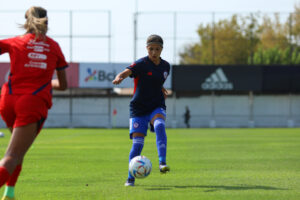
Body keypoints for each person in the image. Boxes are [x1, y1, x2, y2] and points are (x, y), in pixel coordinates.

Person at [0, 6, 68, 200]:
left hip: (7, 100)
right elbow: (63, 85)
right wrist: (49, 82)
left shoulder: (15, 42)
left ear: (26, 20)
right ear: (47, 21)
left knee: (16, 152)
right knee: (12, 155)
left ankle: (10, 194)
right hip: (32, 102)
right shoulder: (53, 46)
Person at [112, 34, 170, 187]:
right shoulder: (141, 63)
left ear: (161, 49)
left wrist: (160, 88)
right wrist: (120, 77)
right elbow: (127, 71)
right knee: (137, 145)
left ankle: (162, 162)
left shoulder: (166, 66)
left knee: (159, 125)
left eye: (157, 49)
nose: (154, 52)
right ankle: (130, 177)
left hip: (156, 104)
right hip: (139, 108)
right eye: (151, 49)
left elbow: (156, 80)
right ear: (147, 49)